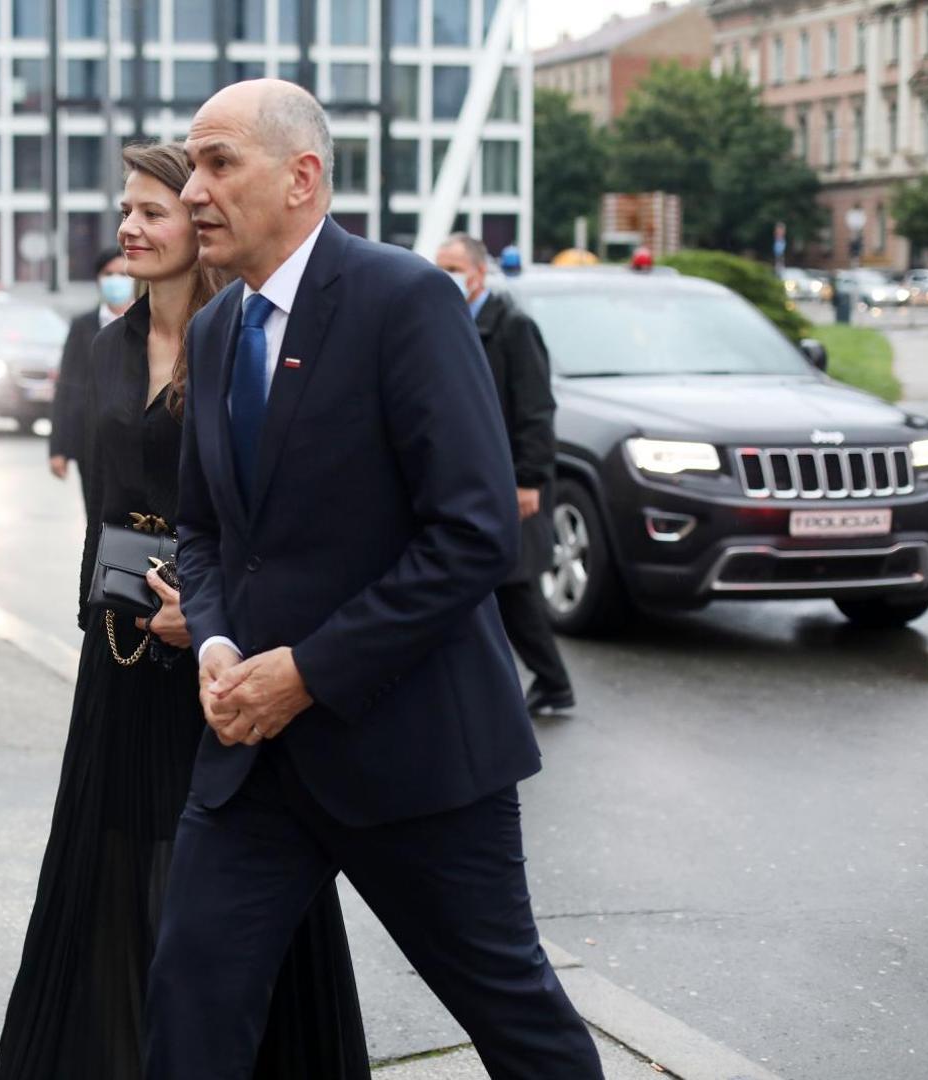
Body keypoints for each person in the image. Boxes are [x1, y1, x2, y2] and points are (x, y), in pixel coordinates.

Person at [143, 80, 603, 1079]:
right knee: (191, 997)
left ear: (302, 177)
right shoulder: (218, 332)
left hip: (414, 751)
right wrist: (219, 645)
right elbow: (205, 533)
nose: (192, 193)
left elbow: (474, 534)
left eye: (219, 164)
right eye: (194, 167)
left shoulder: (406, 300)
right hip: (254, 763)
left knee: (517, 1019)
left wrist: (305, 672)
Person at [0, 142, 369, 1080]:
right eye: (126, 210)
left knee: (230, 878)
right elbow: (99, 503)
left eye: (154, 212)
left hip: (223, 662)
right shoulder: (102, 346)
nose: (132, 227)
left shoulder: (243, 340)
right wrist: (107, 611)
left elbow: (277, 519)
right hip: (120, 658)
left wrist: (210, 618)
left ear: (199, 224)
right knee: (113, 858)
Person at [435, 233, 574, 716]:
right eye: (439, 266)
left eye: (453, 266)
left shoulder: (512, 327)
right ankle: (486, 688)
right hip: (473, 480)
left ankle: (554, 684)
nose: (445, 275)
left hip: (513, 484)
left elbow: (536, 410)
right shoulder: (448, 322)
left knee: (514, 589)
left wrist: (529, 480)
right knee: (484, 587)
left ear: (478, 274)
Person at [48, 248, 134, 522]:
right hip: (92, 438)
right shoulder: (84, 325)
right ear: (98, 279)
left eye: (122, 274)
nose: (115, 280)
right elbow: (67, 385)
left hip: (135, 437)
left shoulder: (150, 320)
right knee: (96, 517)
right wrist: (59, 448)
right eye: (108, 274)